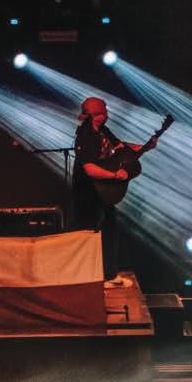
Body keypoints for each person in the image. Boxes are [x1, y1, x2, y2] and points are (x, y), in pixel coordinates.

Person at [71, 95, 145, 272]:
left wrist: (145, 147)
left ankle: (107, 273)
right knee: (89, 233)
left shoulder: (103, 130)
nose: (106, 114)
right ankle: (89, 272)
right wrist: (115, 175)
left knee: (109, 232)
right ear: (96, 115)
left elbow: (121, 147)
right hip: (89, 193)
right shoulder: (85, 135)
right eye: (103, 111)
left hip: (103, 193)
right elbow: (89, 169)